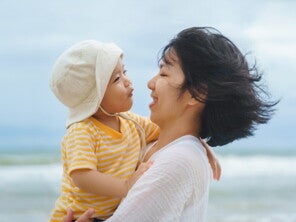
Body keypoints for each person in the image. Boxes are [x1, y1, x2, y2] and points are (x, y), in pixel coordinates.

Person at [66, 26, 277, 222]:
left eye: (164, 73)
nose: (150, 83)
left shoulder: (179, 159)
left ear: (197, 93)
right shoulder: (156, 145)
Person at [49, 40, 220, 221]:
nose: (128, 81)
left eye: (125, 72)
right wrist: (125, 186)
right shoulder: (82, 131)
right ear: (93, 98)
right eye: (116, 79)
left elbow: (174, 132)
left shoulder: (130, 122)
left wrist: (201, 144)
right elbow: (82, 176)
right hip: (75, 216)